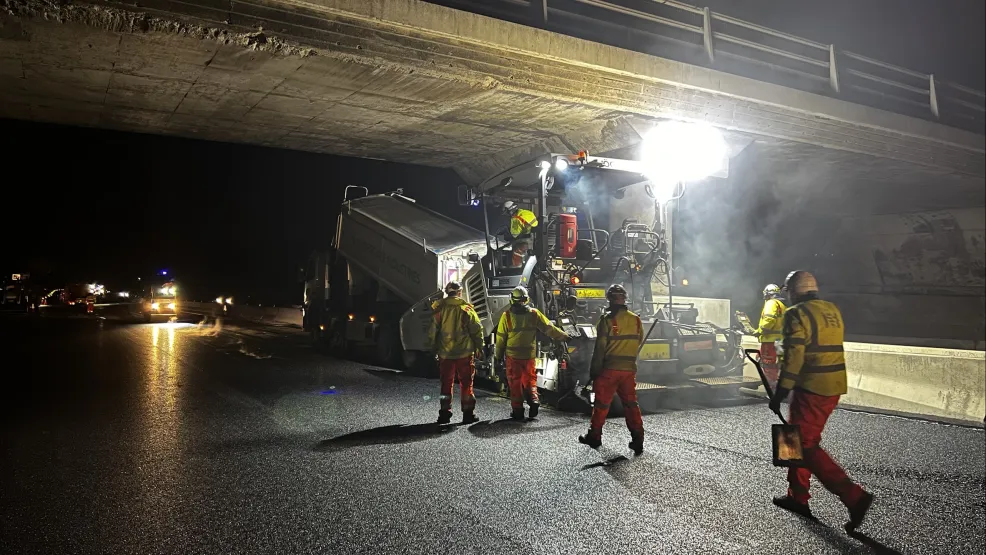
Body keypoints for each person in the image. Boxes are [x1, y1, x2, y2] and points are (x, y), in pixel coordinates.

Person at [771, 270, 874, 530]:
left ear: (793, 291)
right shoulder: (831, 310)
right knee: (795, 438)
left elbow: (794, 357)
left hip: (811, 388)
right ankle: (797, 496)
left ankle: (854, 496)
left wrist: (780, 392)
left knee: (804, 445)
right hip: (834, 385)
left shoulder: (795, 314)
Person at [578, 284, 646, 455]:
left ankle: (595, 436)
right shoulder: (636, 319)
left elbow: (599, 349)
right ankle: (638, 439)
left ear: (609, 299)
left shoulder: (606, 320)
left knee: (601, 405)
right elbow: (638, 341)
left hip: (609, 370)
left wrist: (594, 371)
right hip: (629, 370)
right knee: (631, 404)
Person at [494, 286, 568, 420]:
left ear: (512, 299)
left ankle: (518, 411)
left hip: (513, 357)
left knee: (515, 383)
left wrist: (498, 357)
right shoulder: (534, 314)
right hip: (529, 356)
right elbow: (549, 328)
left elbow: (500, 339)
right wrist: (564, 336)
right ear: (526, 299)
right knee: (530, 380)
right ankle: (534, 400)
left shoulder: (507, 316)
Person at [429, 281, 484, 425]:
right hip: (464, 354)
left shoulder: (439, 308)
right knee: (466, 384)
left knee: (446, 385)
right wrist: (479, 347)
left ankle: (444, 414)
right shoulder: (466, 308)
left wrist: (433, 348)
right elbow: (476, 329)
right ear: (459, 292)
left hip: (445, 354)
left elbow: (432, 331)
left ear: (447, 292)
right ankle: (468, 414)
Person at [755, 283, 786, 389]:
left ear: (767, 294)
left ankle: (772, 390)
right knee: (778, 365)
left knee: (768, 365)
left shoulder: (771, 303)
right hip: (779, 341)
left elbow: (768, 320)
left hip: (769, 341)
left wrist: (759, 331)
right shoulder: (781, 305)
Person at [503, 201, 538, 268]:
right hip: (530, 238)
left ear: (511, 210)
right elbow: (534, 223)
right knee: (526, 257)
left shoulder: (515, 219)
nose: (508, 214)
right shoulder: (526, 213)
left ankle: (517, 269)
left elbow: (515, 234)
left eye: (508, 212)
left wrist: (508, 236)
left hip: (522, 240)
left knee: (517, 254)